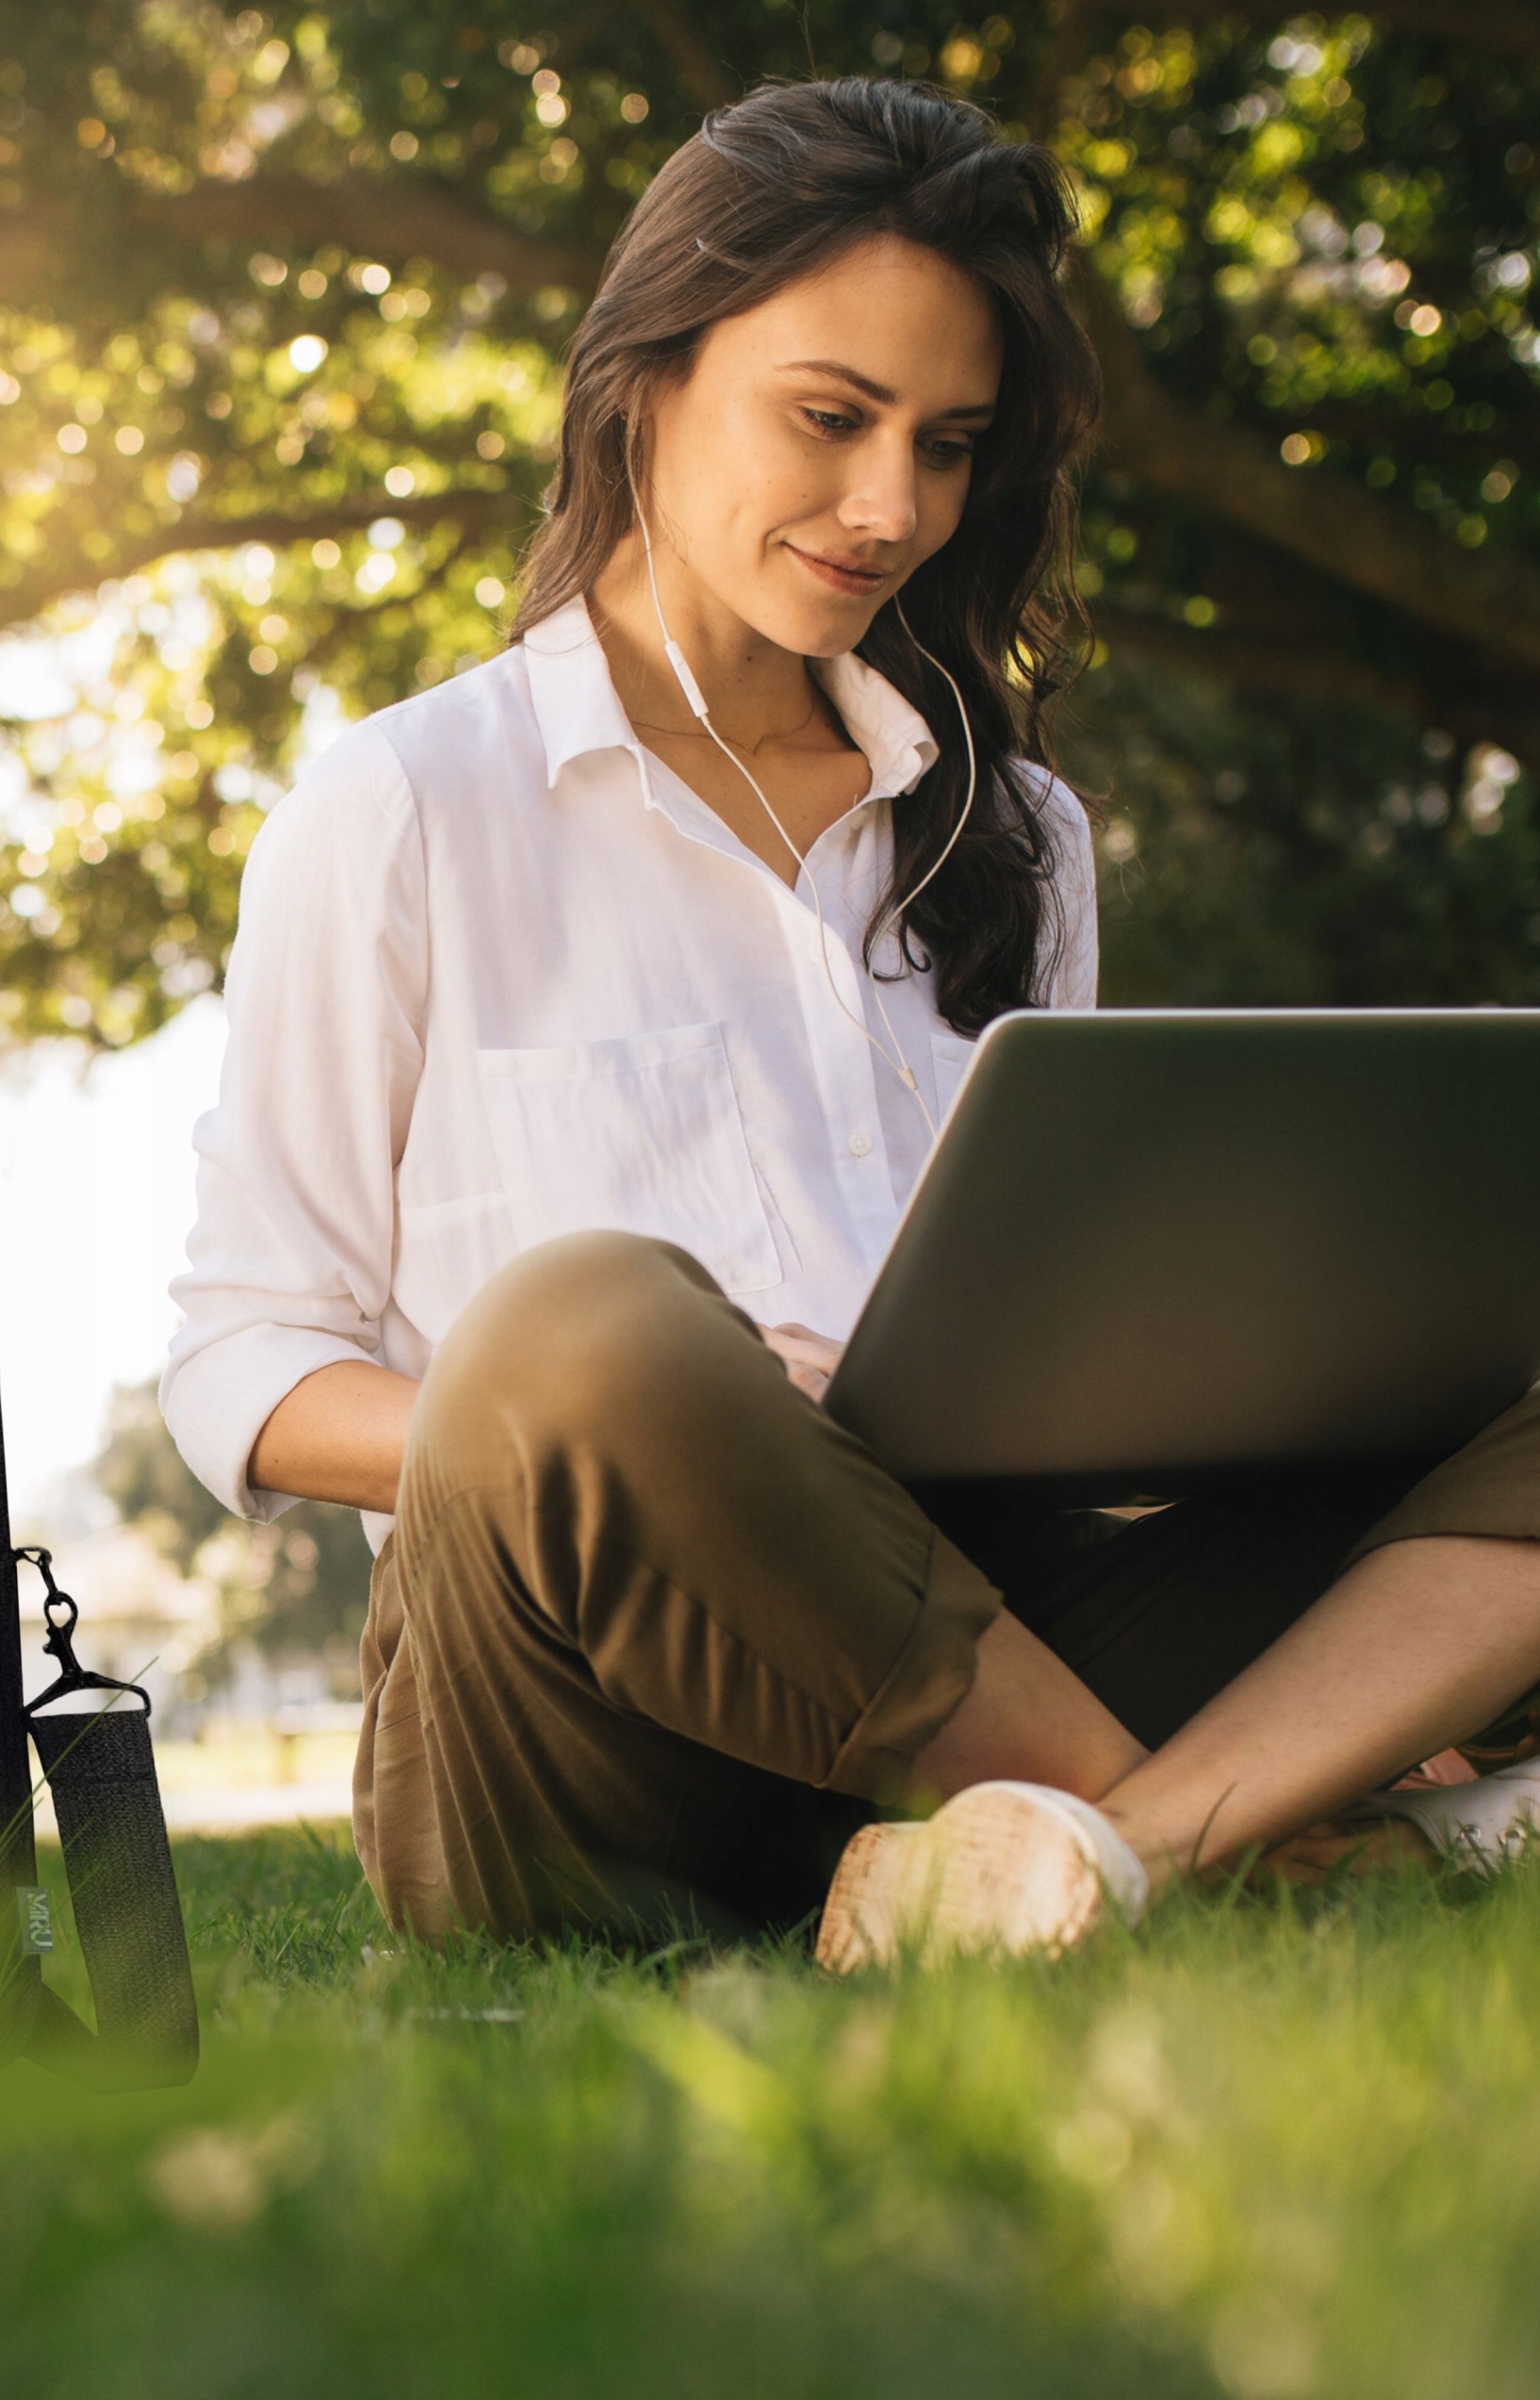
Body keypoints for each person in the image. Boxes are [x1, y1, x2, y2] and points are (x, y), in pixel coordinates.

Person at [159, 77, 1540, 1966]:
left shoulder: (1012, 834)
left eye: (947, 443)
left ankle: (1090, 1859)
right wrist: (672, 1414)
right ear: (643, 375)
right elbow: (242, 1366)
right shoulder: (407, 806)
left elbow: (1049, 1325)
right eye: (827, 419)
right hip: (574, 1734)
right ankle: (1265, 1842)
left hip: (975, 1620)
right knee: (590, 1325)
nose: (890, 506)